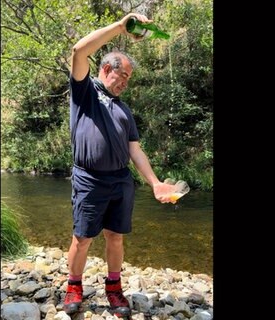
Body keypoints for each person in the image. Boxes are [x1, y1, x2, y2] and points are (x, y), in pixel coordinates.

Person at [63, 13, 179, 316]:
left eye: (128, 79)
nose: (124, 83)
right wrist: (120, 27)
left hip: (120, 180)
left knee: (115, 236)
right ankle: (74, 285)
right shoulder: (85, 92)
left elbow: (135, 150)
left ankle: (114, 288)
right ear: (105, 69)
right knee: (83, 237)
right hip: (89, 179)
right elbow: (79, 51)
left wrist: (154, 183)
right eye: (121, 76)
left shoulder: (124, 110)